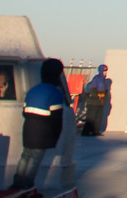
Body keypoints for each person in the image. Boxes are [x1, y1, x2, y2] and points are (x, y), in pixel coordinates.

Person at [13, 59, 70, 190]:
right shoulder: (55, 92)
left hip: (28, 128)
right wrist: (55, 137)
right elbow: (56, 118)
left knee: (26, 155)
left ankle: (17, 182)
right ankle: (27, 185)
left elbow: (24, 112)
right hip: (43, 131)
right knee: (35, 159)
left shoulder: (33, 90)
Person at [79, 64, 112, 136]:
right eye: (104, 71)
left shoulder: (103, 81)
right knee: (91, 117)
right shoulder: (97, 79)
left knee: (98, 117)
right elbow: (94, 90)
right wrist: (98, 98)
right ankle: (86, 131)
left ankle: (95, 131)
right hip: (94, 102)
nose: (105, 73)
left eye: (106, 71)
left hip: (99, 103)